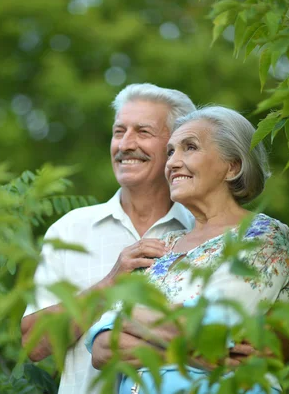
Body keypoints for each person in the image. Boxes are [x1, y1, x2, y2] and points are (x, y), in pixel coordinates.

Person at [85, 106, 289, 393]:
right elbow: (102, 348)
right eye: (170, 152)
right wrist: (184, 352)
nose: (171, 163)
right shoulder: (161, 244)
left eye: (189, 148)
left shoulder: (263, 235)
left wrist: (130, 320)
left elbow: (216, 329)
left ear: (232, 166)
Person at [21, 83, 198, 394]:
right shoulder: (69, 230)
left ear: (176, 147)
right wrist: (110, 283)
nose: (125, 144)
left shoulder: (207, 232)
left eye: (143, 132)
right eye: (119, 132)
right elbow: (34, 345)